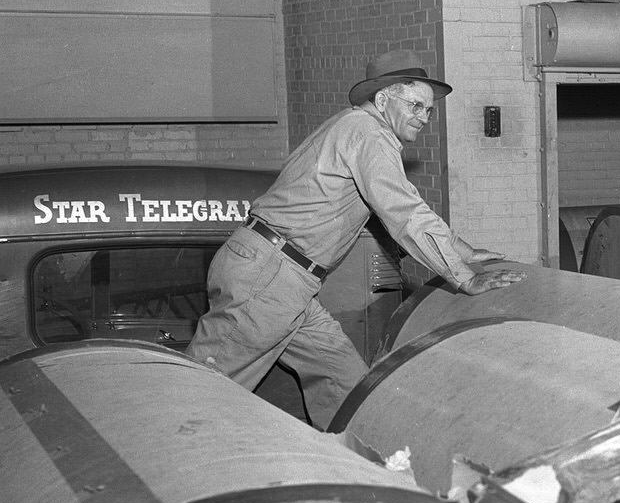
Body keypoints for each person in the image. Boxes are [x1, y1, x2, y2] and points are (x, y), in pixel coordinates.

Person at [186, 49, 521, 428]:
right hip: (270, 278)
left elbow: (405, 203)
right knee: (200, 396)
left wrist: (464, 250)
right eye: (415, 106)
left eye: (428, 110)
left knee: (346, 387)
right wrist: (465, 276)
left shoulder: (353, 130)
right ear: (383, 100)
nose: (423, 118)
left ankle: (365, 467)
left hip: (286, 279)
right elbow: (406, 213)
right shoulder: (368, 134)